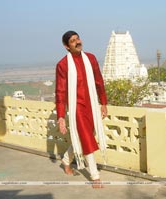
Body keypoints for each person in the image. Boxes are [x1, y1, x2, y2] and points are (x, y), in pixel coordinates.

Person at [55, 30, 108, 188]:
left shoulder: (90, 58)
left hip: (91, 104)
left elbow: (99, 81)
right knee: (86, 137)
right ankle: (95, 175)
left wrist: (103, 103)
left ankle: (65, 160)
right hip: (77, 107)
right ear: (66, 46)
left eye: (78, 39)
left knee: (84, 136)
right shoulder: (63, 65)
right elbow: (60, 92)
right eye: (73, 41)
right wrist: (61, 117)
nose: (78, 42)